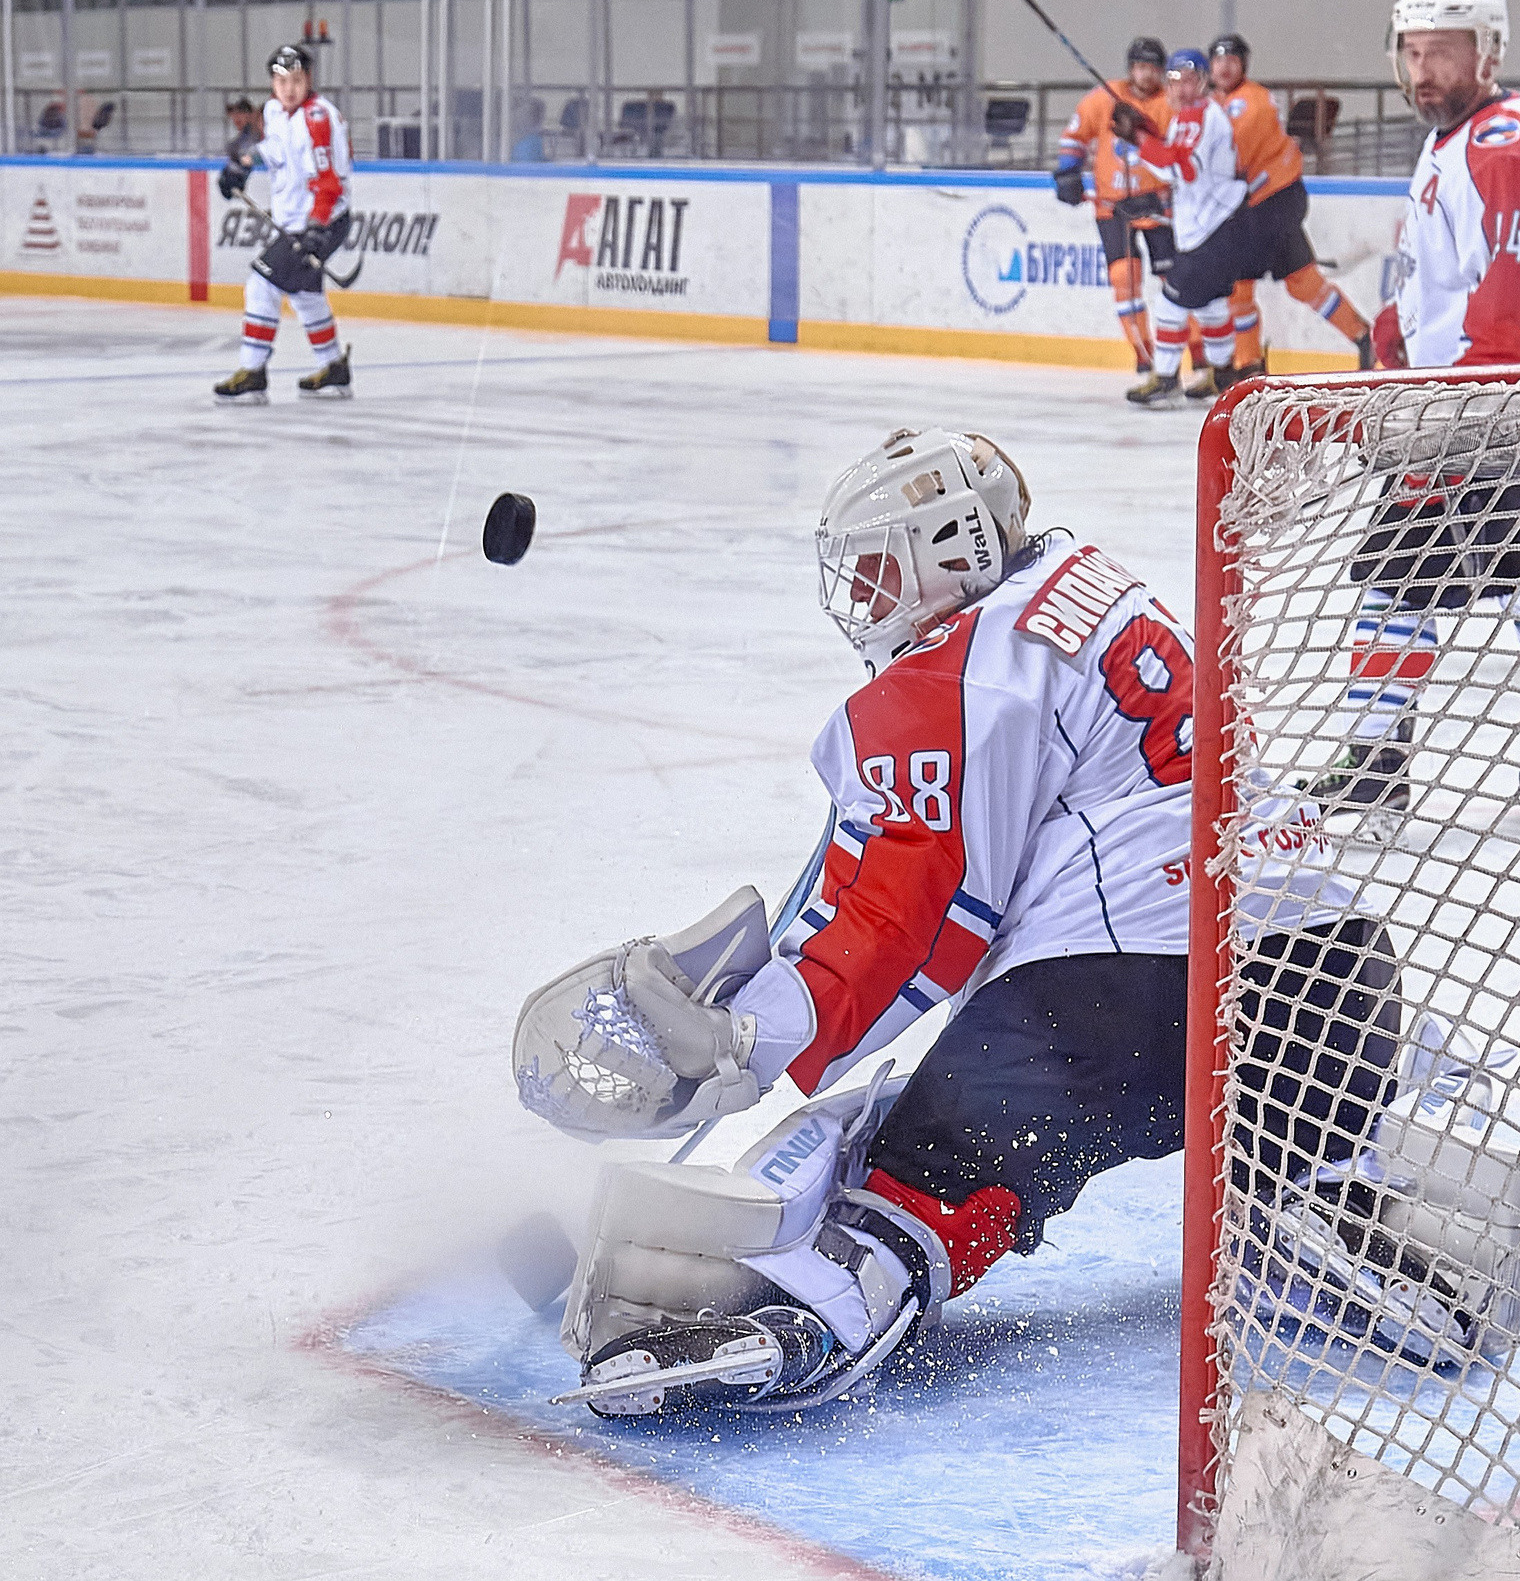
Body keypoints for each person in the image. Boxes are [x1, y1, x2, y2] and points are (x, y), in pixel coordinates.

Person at [507, 430, 1458, 1414]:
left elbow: (911, 927)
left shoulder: (953, 674)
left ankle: (819, 1309)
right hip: (1338, 985)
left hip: (1140, 997)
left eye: (878, 569)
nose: (862, 598)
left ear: (951, 547)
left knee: (917, 1164)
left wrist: (744, 1040)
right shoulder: (1084, 579)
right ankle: (1307, 1190)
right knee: (1159, 1088)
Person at [1308, 0, 1520, 823]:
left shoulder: (1506, 147)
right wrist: (1397, 327)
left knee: (1396, 577)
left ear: (1488, 53)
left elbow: (1517, 308)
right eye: (1413, 53)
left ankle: (1378, 762)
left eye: (1443, 55)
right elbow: (1451, 277)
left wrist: (1447, 416)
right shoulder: (1454, 137)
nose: (1424, 72)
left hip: (1501, 415)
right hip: (1489, 411)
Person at [1180, 33, 1374, 397]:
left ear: (1244, 65)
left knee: (1252, 287)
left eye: (1232, 60)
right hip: (1258, 207)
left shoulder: (1250, 103)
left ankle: (1249, 367)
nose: (1224, 66)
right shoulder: (1216, 104)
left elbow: (1227, 163)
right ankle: (1252, 365)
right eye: (1218, 60)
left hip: (1273, 204)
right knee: (1291, 284)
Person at [212, 43, 353, 403]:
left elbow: (329, 182)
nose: (288, 88)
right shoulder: (274, 111)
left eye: (296, 80)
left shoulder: (319, 119)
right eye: (281, 80)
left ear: (309, 80)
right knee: (305, 295)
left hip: (322, 222)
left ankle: (252, 373)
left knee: (262, 284)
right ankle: (334, 370)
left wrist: (317, 227)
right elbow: (273, 150)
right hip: (296, 223)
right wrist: (241, 166)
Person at [1053, 38, 1194, 377]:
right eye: (1141, 67)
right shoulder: (1104, 97)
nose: (1147, 75)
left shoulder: (1170, 103)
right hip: (1112, 207)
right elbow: (1075, 136)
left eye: (1153, 68)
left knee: (1177, 281)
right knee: (1123, 278)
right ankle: (1145, 355)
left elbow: (1185, 151)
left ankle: (1199, 354)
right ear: (1131, 68)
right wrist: (1068, 171)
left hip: (1158, 205)